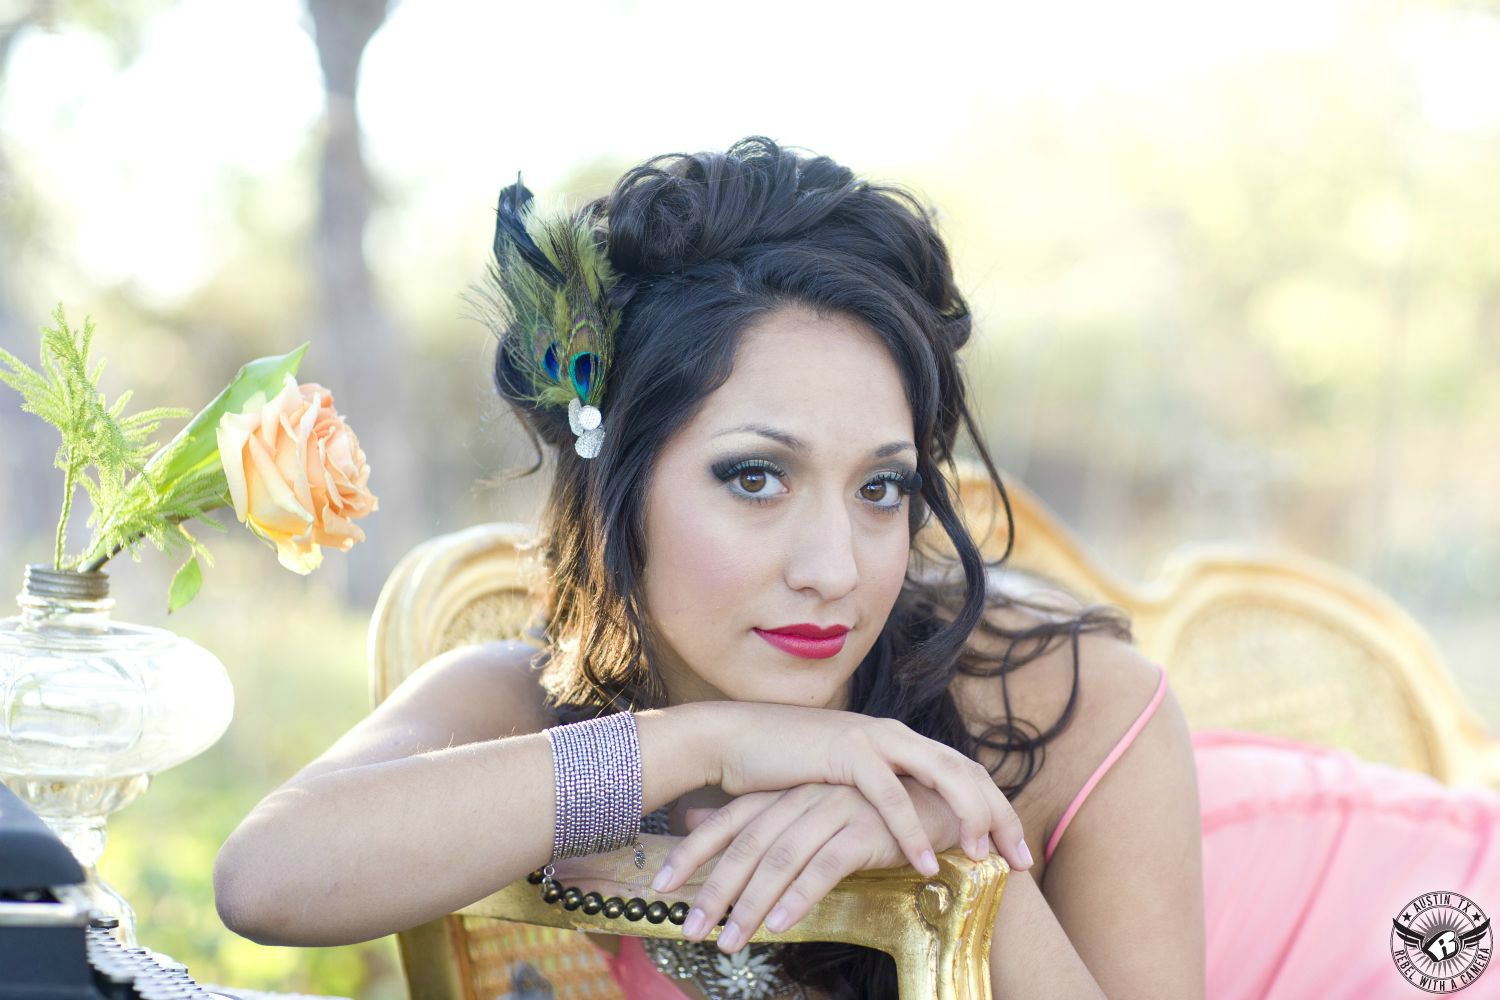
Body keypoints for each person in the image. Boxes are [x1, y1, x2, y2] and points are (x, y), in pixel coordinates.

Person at [213, 136, 1500, 1000]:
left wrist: (965, 873)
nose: (836, 566)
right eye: (755, 477)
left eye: (882, 486)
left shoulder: (1064, 708)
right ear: (619, 481)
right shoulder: (524, 706)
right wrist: (703, 742)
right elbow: (266, 879)